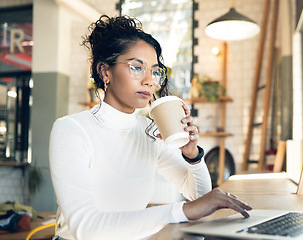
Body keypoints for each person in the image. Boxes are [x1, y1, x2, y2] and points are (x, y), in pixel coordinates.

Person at [49, 15, 252, 240]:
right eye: (137, 67)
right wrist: (181, 211)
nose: (150, 81)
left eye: (155, 71)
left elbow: (200, 197)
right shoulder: (72, 129)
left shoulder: (149, 132)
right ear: (105, 71)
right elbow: (86, 228)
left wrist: (192, 154)